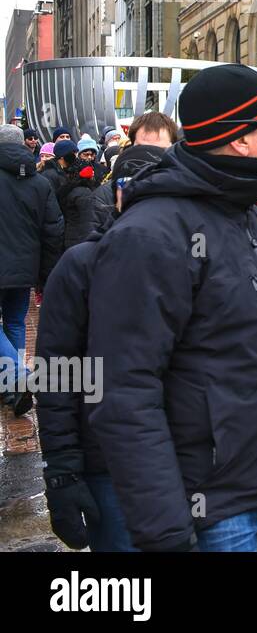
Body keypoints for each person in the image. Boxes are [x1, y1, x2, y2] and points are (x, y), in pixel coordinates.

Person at [86, 63, 257, 551]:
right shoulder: (150, 234)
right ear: (241, 139)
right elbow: (123, 390)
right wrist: (163, 524)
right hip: (215, 512)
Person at [35, 144, 164, 552]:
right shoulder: (80, 266)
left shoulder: (193, 259)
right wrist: (62, 472)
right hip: (109, 464)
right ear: (118, 193)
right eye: (132, 186)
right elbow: (58, 374)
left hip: (188, 461)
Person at [0, 124, 63, 416]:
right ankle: (11, 389)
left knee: (11, 323)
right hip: (25, 267)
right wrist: (46, 273)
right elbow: (53, 230)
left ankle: (18, 377)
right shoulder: (39, 182)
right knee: (14, 321)